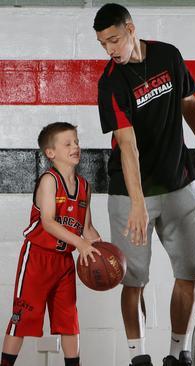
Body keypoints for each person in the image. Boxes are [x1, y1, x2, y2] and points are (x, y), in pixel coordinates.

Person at [93, 4, 195, 366]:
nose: (111, 49)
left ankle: (178, 355)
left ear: (131, 28)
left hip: (179, 182)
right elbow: (127, 146)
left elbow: (189, 104)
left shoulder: (168, 55)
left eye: (114, 39)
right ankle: (139, 357)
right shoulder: (112, 82)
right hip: (130, 193)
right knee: (133, 280)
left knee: (189, 273)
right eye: (103, 44)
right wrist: (136, 204)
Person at [1, 122, 102, 366]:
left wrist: (102, 250)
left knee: (69, 321)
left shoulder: (84, 187)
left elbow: (86, 228)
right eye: (68, 143)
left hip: (64, 263)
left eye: (76, 141)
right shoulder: (49, 181)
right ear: (50, 153)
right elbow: (47, 222)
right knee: (23, 319)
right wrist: (80, 242)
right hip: (37, 259)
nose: (75, 146)